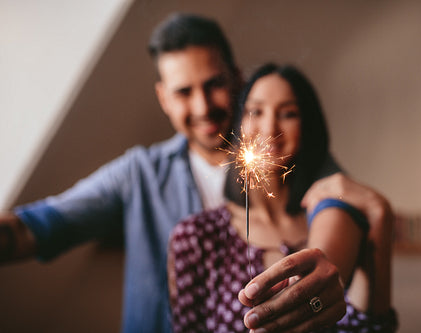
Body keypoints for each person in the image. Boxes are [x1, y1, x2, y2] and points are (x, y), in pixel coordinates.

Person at [0, 13, 393, 333]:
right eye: (184, 92)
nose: (203, 106)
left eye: (214, 85)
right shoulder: (140, 173)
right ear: (163, 98)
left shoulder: (290, 159)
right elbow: (40, 225)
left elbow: (332, 216)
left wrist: (316, 281)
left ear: (237, 79)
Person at [168, 63, 397, 332]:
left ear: (307, 126)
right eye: (255, 111)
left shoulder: (333, 221)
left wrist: (381, 215)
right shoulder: (196, 237)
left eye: (288, 113)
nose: (269, 127)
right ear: (239, 123)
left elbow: (370, 327)